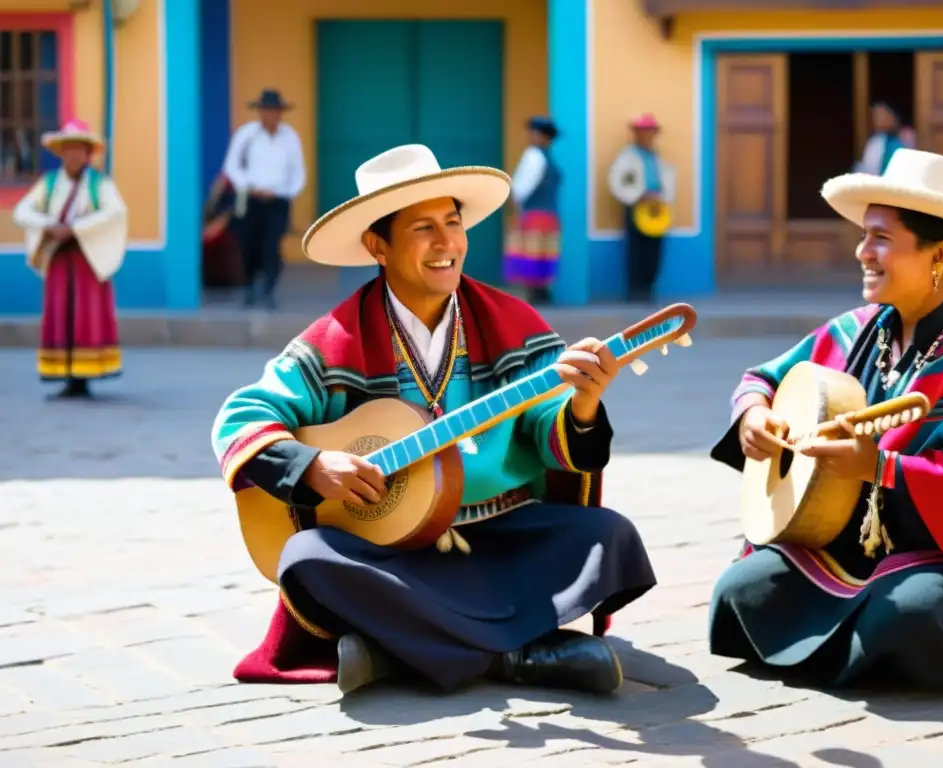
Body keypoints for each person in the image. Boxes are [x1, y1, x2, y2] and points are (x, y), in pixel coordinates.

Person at [212, 144, 656, 695]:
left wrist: (582, 406)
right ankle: (518, 654)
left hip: (499, 539)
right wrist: (313, 465)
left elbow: (552, 426)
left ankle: (398, 650)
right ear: (378, 245)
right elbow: (240, 418)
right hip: (391, 553)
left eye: (454, 221)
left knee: (609, 537)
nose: (448, 243)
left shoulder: (513, 322)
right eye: (423, 228)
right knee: (307, 556)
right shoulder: (335, 340)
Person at [708, 148, 943, 691]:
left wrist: (880, 468)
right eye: (864, 235)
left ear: (940, 255)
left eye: (880, 238)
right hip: (840, 542)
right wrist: (753, 414)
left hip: (942, 556)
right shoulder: (854, 330)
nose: (862, 252)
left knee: (911, 614)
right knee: (741, 589)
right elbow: (762, 379)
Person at [12, 119, 128, 399]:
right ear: (61, 153)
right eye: (69, 149)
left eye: (79, 149)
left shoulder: (100, 184)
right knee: (60, 314)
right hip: (60, 260)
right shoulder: (49, 184)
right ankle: (66, 374)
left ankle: (84, 376)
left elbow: (115, 212)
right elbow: (22, 211)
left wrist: (76, 228)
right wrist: (50, 225)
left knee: (85, 314)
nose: (74, 155)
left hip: (87, 258)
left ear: (88, 153)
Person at [222, 88, 306, 310]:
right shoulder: (246, 134)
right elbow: (231, 165)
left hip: (278, 201)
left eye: (274, 110)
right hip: (251, 200)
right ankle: (249, 286)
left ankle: (269, 289)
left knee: (272, 246)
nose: (270, 114)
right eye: (266, 110)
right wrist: (247, 186)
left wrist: (285, 193)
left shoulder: (290, 137)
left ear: (280, 113)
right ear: (259, 112)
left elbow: (298, 172)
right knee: (248, 244)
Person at [608, 114, 676, 302]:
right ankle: (635, 290)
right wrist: (638, 195)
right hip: (637, 207)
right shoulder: (628, 158)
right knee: (637, 249)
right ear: (636, 134)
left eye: (650, 132)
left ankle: (649, 286)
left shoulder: (657, 157)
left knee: (654, 249)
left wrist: (661, 197)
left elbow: (666, 182)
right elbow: (619, 182)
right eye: (643, 132)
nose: (647, 136)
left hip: (656, 209)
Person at [503, 116, 562, 305]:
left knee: (531, 255)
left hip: (534, 214)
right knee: (544, 255)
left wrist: (512, 206)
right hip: (549, 215)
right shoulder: (547, 157)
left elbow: (521, 187)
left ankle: (535, 294)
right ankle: (542, 292)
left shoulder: (533, 156)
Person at [854, 102, 906, 176]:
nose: (878, 119)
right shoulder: (874, 141)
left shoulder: (899, 142)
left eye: (882, 114)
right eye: (876, 115)